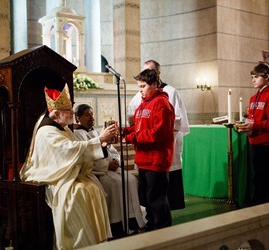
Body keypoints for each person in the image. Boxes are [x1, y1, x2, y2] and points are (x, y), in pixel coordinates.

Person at [20, 85, 117, 249]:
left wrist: (102, 143)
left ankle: (95, 241)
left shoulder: (63, 129)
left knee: (93, 186)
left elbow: (76, 150)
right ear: (57, 114)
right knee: (79, 193)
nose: (73, 113)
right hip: (51, 177)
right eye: (68, 110)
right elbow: (68, 151)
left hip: (66, 173)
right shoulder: (46, 131)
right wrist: (98, 140)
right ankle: (76, 244)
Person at [73, 104, 145, 237]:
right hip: (96, 172)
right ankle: (115, 225)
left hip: (111, 168)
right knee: (114, 185)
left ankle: (132, 220)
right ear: (78, 118)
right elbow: (84, 157)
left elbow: (111, 149)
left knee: (131, 179)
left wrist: (116, 161)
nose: (91, 118)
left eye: (92, 114)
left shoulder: (96, 132)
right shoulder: (77, 134)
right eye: (87, 115)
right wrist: (106, 166)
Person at [127, 59, 189, 210]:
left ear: (157, 75)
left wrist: (134, 135)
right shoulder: (141, 97)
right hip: (145, 152)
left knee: (159, 196)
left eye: (149, 73)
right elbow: (134, 117)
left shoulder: (168, 94)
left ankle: (162, 224)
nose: (141, 89)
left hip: (159, 151)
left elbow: (172, 123)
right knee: (149, 195)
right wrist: (127, 130)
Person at [123, 68, 175, 231]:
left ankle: (162, 229)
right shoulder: (143, 104)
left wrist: (132, 137)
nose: (140, 90)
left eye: (143, 86)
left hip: (157, 159)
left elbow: (158, 133)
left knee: (157, 199)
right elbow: (138, 127)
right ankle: (152, 225)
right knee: (146, 197)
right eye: (139, 87)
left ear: (154, 84)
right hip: (144, 159)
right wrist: (124, 131)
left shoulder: (162, 103)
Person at [237, 63, 269, 206]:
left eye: (256, 77)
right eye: (252, 77)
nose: (253, 80)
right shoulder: (253, 98)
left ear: (267, 76)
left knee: (262, 176)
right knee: (263, 175)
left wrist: (255, 125)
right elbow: (254, 120)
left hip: (267, 142)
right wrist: (247, 126)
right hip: (255, 140)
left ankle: (259, 205)